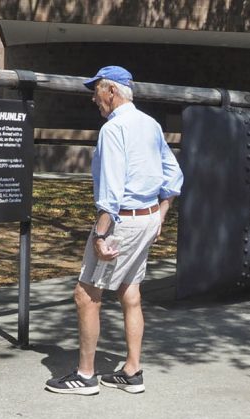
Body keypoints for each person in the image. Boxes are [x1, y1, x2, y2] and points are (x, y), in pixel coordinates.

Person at [45, 66, 184, 395]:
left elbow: (111, 190)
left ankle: (86, 375)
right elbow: (174, 175)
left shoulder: (113, 129)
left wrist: (101, 234)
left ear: (112, 91)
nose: (93, 97)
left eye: (96, 90)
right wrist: (161, 215)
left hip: (120, 221)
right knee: (130, 293)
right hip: (147, 217)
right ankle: (132, 371)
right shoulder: (150, 124)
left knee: (86, 295)